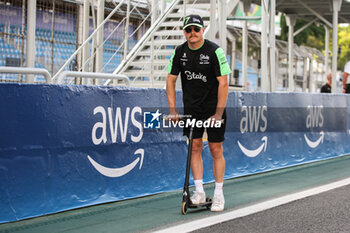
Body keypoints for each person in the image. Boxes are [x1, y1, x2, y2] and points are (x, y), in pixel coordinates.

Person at [166, 14, 231, 212]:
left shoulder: (215, 51)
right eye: (188, 30)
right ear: (184, 32)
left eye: (196, 29)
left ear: (203, 30)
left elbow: (224, 83)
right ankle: (199, 191)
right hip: (192, 110)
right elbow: (170, 81)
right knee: (194, 147)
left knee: (215, 149)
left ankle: (219, 194)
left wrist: (218, 114)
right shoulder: (179, 52)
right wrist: (173, 111)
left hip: (213, 109)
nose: (192, 33)